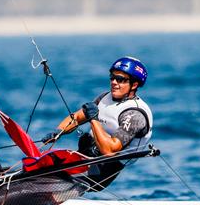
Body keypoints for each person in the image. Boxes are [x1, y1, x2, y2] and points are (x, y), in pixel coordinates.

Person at [42, 56, 153, 191]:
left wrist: (94, 119)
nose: (114, 82)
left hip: (103, 168)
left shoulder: (135, 114)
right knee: (43, 165)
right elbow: (77, 117)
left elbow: (109, 151)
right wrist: (58, 131)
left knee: (47, 179)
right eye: (112, 77)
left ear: (134, 85)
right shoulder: (104, 98)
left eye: (120, 79)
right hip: (86, 153)